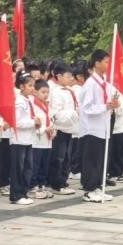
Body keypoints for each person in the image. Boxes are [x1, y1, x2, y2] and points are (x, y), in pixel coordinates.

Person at [79, 50, 116, 202]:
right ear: (97, 63)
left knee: (101, 160)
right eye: (106, 62)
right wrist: (105, 106)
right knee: (91, 160)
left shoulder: (105, 83)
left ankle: (97, 187)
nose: (108, 65)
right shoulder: (91, 84)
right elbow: (87, 108)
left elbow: (107, 103)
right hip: (92, 129)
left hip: (103, 126)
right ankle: (88, 190)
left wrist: (112, 105)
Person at [46, 63, 76, 196]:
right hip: (60, 129)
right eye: (68, 76)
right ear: (58, 76)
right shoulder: (56, 93)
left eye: (71, 76)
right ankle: (56, 184)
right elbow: (56, 114)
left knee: (67, 158)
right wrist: (74, 114)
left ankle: (63, 182)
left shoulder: (69, 91)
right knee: (58, 158)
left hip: (69, 128)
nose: (71, 79)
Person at [9, 72, 37, 205]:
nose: (32, 88)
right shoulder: (19, 101)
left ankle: (23, 192)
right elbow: (17, 122)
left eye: (33, 85)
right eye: (29, 85)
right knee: (18, 169)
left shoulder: (28, 100)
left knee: (27, 168)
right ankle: (16, 194)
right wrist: (33, 122)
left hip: (27, 139)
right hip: (18, 140)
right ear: (21, 86)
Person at [30, 79, 54, 198]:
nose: (46, 95)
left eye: (47, 92)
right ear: (35, 92)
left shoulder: (47, 105)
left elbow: (51, 119)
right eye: (43, 92)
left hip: (47, 140)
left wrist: (53, 129)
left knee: (45, 164)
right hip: (37, 141)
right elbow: (34, 124)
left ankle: (41, 185)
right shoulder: (33, 105)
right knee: (36, 164)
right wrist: (45, 129)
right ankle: (33, 187)